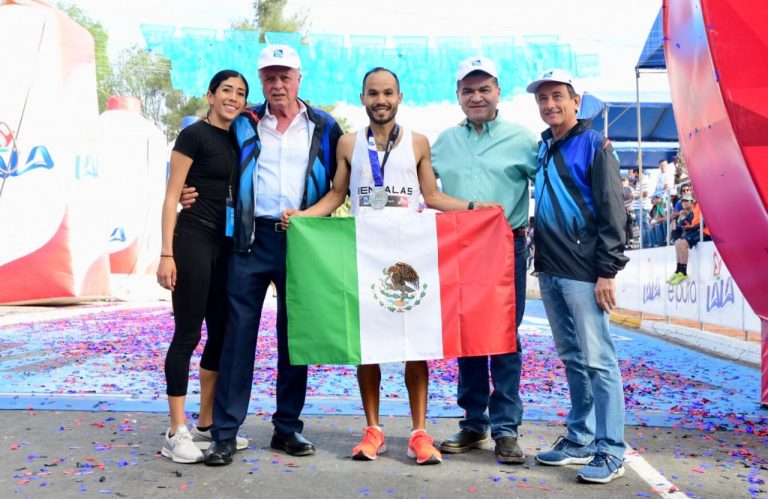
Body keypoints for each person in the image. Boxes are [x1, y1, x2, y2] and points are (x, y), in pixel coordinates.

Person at [281, 67, 497, 466]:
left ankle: (419, 433)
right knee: (369, 345)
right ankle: (374, 430)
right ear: (362, 98)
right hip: (364, 254)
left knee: (415, 346)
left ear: (399, 97)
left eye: (388, 93)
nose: (381, 100)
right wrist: (304, 217)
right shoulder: (348, 143)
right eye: (373, 93)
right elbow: (336, 195)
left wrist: (472, 208)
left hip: (408, 255)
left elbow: (431, 195)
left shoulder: (417, 142)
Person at [199, 45, 343, 466]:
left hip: (301, 240)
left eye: (284, 76)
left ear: (299, 78)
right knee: (237, 336)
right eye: (269, 77)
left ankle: (287, 428)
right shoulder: (243, 122)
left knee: (294, 337)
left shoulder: (325, 126)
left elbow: (339, 185)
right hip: (249, 238)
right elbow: (210, 161)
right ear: (261, 81)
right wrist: (188, 194)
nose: (277, 84)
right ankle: (225, 433)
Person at [431, 55, 538, 464]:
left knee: (505, 336)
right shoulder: (442, 142)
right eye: (468, 90)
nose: (476, 97)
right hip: (459, 247)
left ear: (498, 92)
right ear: (458, 96)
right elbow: (422, 187)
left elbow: (546, 187)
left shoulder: (522, 139)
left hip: (506, 245)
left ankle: (507, 429)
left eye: (484, 88)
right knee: (467, 335)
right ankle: (474, 423)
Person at [526, 69, 629, 483]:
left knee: (599, 362)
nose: (550, 104)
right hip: (549, 269)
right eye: (543, 99)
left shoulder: (594, 143)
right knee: (572, 359)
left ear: (575, 100)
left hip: (586, 274)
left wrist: (607, 271)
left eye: (557, 97)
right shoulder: (544, 146)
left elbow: (613, 210)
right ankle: (581, 436)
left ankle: (611, 450)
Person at [156, 70, 250, 463]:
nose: (233, 97)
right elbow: (172, 195)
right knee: (187, 334)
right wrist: (166, 253)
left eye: (241, 93)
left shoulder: (238, 137)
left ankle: (205, 426)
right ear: (210, 95)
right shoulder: (194, 134)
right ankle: (175, 430)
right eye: (226, 90)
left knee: (222, 334)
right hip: (192, 240)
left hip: (225, 247)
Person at [666, 193, 710, 285]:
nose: (685, 203)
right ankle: (678, 270)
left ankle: (684, 272)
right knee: (677, 243)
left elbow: (706, 221)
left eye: (687, 201)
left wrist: (691, 226)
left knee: (681, 244)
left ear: (691, 202)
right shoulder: (693, 208)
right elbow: (685, 224)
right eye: (683, 201)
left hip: (704, 231)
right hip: (696, 230)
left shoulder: (704, 204)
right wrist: (684, 220)